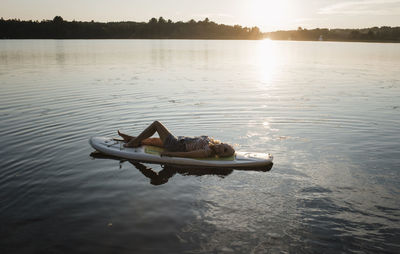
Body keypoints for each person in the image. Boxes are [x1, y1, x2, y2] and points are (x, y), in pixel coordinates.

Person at [117, 121, 235, 158]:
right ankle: (130, 139)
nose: (221, 149)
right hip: (179, 140)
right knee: (151, 141)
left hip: (176, 145)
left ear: (220, 155)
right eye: (224, 147)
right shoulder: (211, 143)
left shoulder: (207, 151)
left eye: (224, 152)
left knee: (156, 124)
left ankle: (132, 143)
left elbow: (187, 155)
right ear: (223, 143)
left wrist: (170, 154)